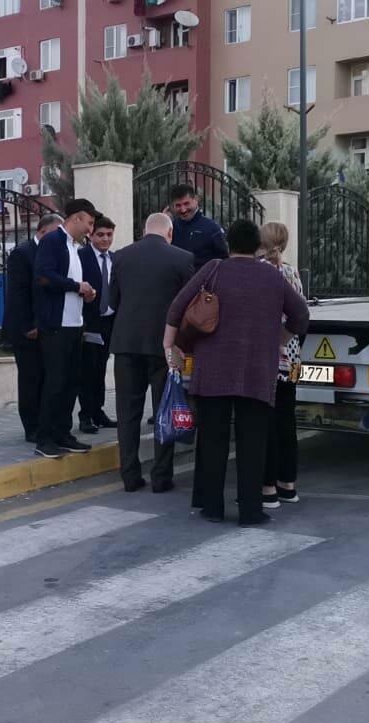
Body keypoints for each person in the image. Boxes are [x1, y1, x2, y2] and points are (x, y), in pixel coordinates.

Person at [165, 220, 309, 525]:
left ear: (229, 244)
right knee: (252, 443)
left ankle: (212, 507)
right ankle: (250, 510)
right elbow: (301, 315)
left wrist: (169, 347)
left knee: (213, 440)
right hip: (257, 371)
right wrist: (279, 339)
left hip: (212, 371)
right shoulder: (272, 275)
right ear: (256, 246)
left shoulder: (213, 269)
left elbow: (177, 306)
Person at [109, 213, 194, 493]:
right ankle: (161, 477)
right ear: (170, 233)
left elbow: (112, 301)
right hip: (164, 346)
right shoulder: (182, 258)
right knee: (164, 408)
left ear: (144, 231)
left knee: (127, 412)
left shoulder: (121, 256)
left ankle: (129, 476)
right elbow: (189, 307)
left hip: (127, 345)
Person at [32, 199, 101, 459]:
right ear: (76, 219)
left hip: (74, 325)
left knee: (72, 382)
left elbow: (71, 284)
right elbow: (44, 276)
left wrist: (86, 292)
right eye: (89, 223)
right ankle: (44, 438)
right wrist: (75, 286)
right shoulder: (53, 241)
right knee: (55, 383)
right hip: (56, 326)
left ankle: (63, 433)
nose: (91, 229)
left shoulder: (75, 247)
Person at [258, 222, 304, 509]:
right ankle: (289, 485)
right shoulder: (292, 272)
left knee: (267, 423)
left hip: (270, 357)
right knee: (288, 421)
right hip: (294, 359)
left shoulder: (261, 271)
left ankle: (268, 488)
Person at [4, 214, 62, 443]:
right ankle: (32, 427)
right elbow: (18, 294)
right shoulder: (23, 253)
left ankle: (47, 423)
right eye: (56, 233)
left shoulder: (54, 253)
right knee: (31, 378)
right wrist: (29, 325)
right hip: (27, 328)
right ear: (43, 231)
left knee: (47, 377)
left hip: (49, 327)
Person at [76, 216, 119, 434]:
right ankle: (85, 415)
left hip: (109, 321)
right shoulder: (81, 256)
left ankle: (98, 412)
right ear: (91, 235)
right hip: (89, 322)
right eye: (100, 235)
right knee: (87, 370)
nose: (105, 239)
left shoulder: (115, 259)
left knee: (101, 368)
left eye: (109, 235)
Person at [169, 183, 228, 271]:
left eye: (186, 203)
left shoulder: (212, 228)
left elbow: (224, 260)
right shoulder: (170, 229)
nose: (183, 210)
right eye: (178, 205)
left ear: (196, 200)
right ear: (173, 206)